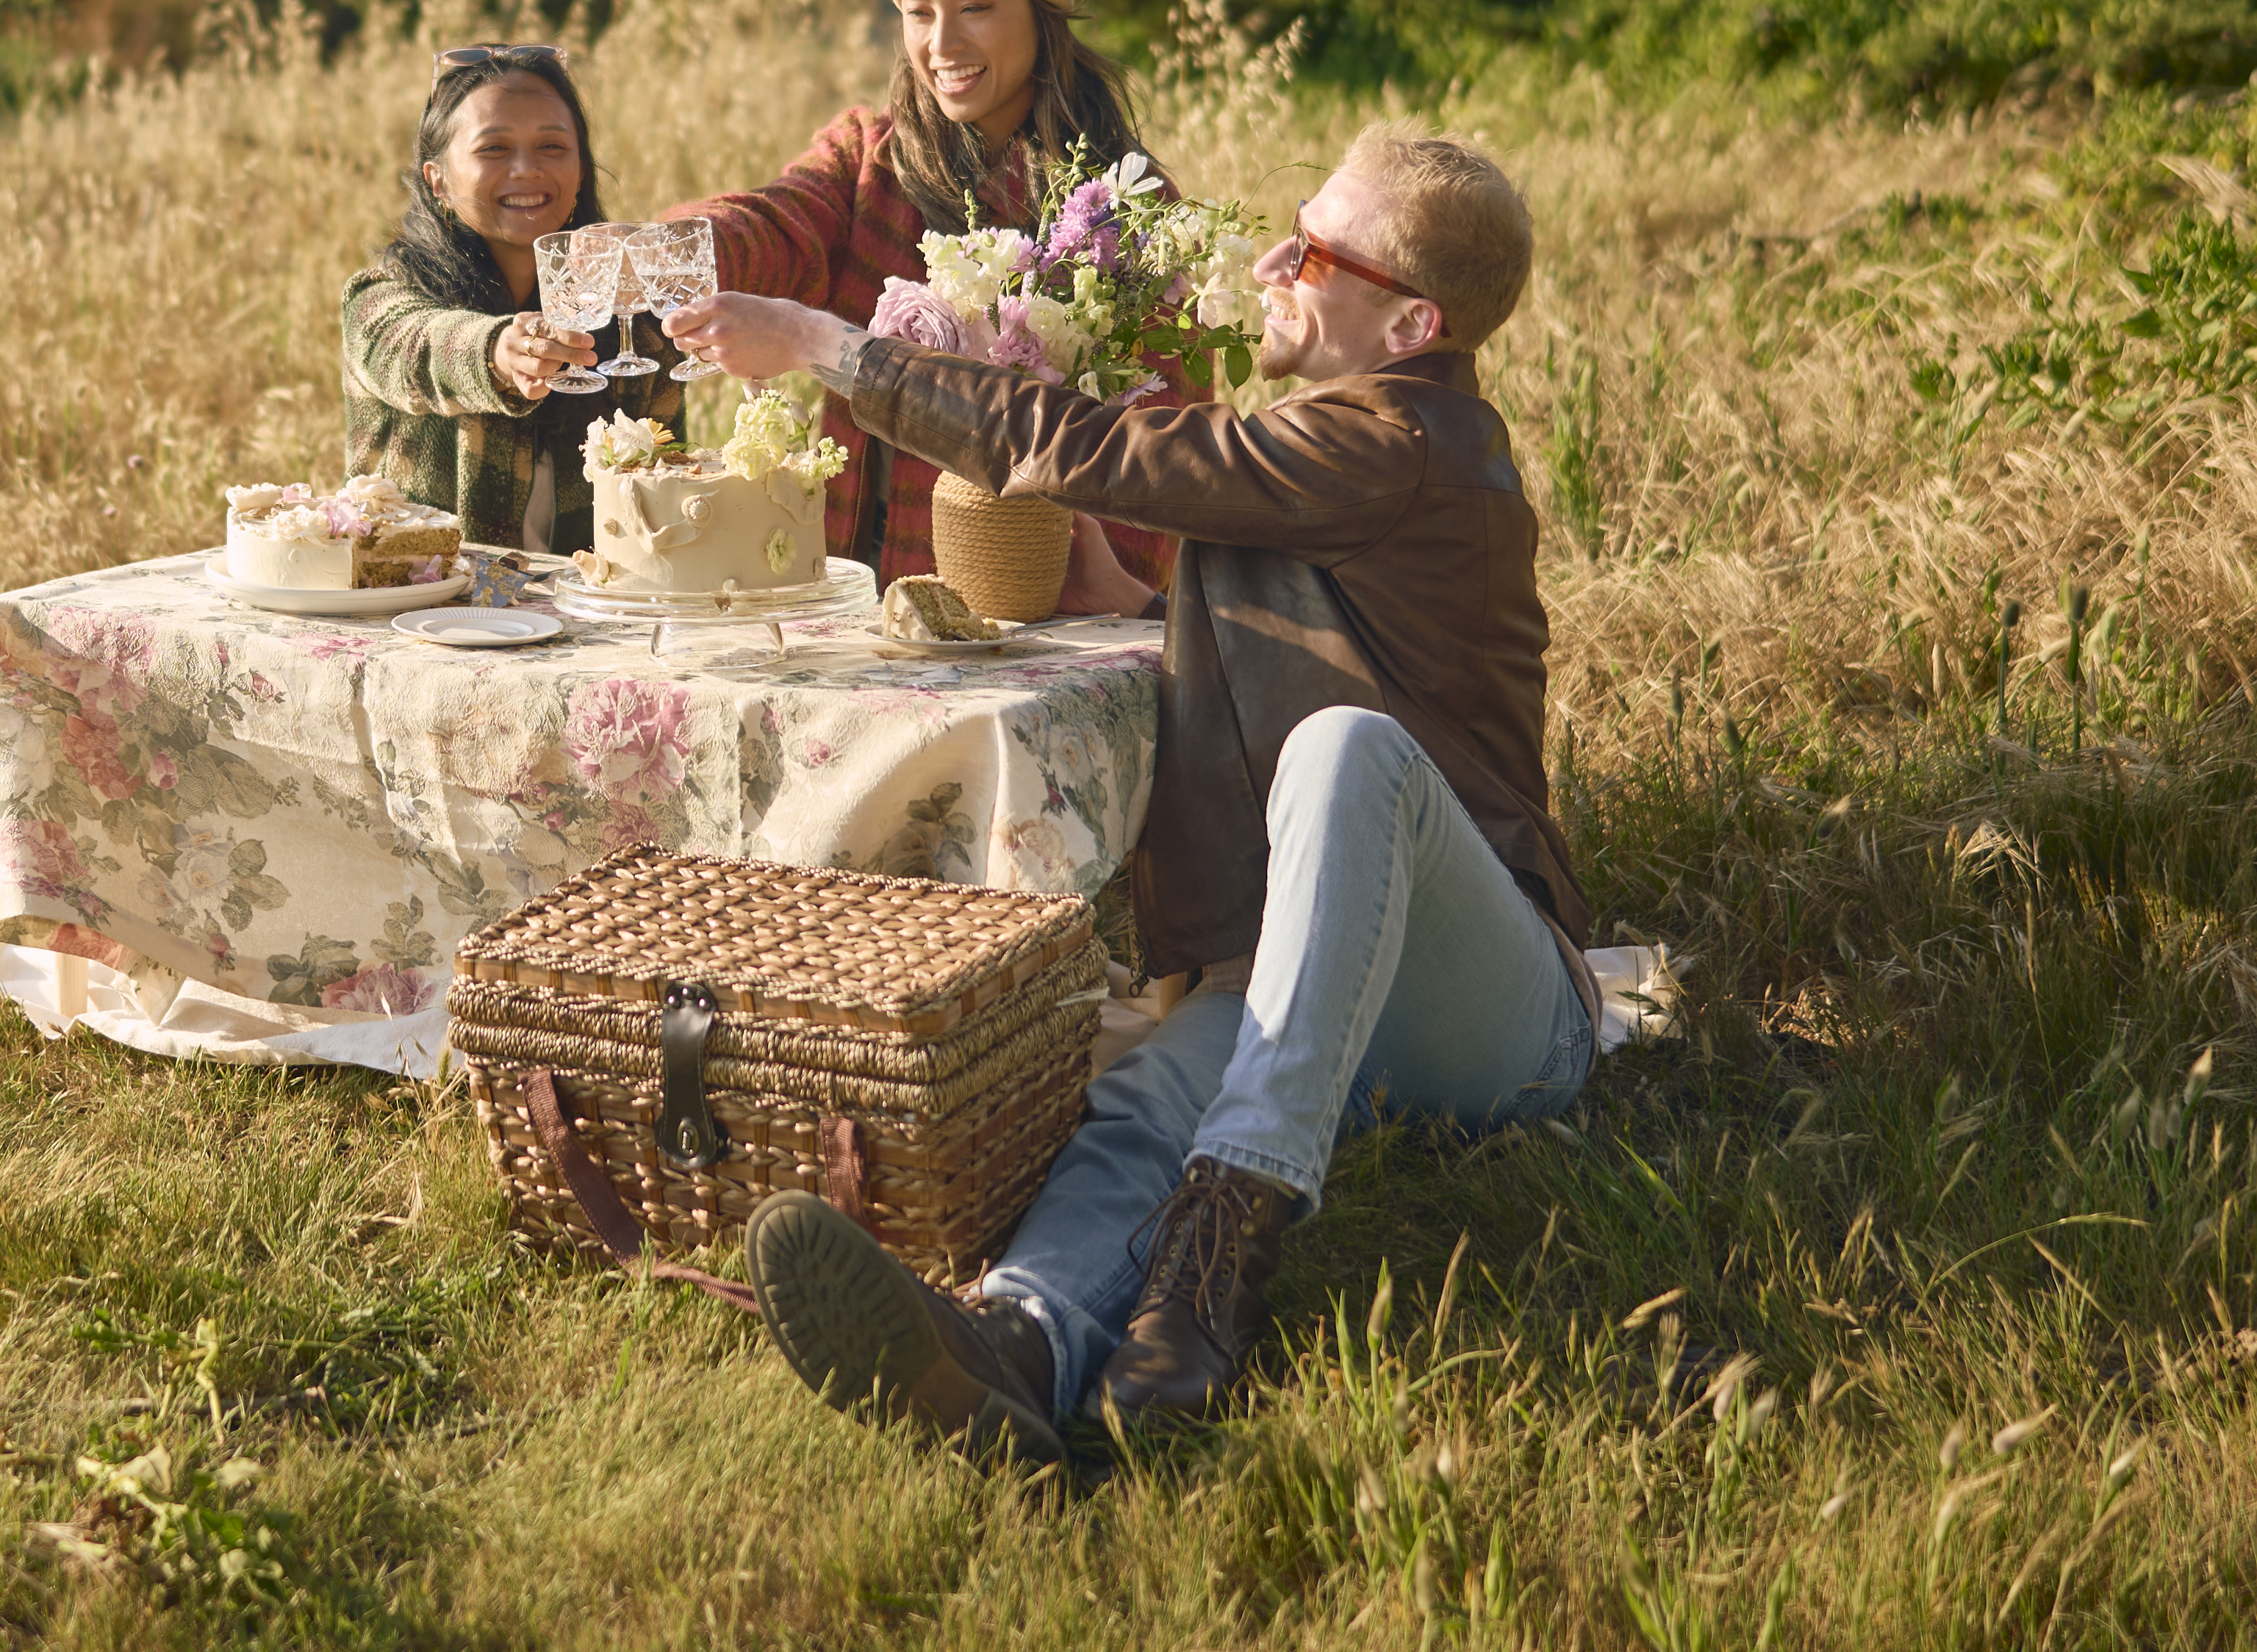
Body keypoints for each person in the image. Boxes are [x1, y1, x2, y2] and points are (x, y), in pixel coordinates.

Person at [673, 124, 1596, 1461]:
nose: (1277, 258)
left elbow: (1098, 446)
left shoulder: (1407, 437)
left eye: (1319, 251)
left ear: (1410, 322)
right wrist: (1158, 601)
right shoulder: (1359, 442)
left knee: (1350, 755)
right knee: (1144, 1103)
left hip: (1500, 1017)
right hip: (1324, 987)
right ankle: (1015, 1347)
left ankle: (1217, 1271)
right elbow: (1338, 619)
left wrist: (826, 346)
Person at [665, 0, 1160, 610]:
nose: (942, 44)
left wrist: (1110, 597)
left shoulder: (1123, 207)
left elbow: (1155, 454)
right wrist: (669, 249)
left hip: (1038, 605)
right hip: (867, 600)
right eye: (918, 12)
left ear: (1042, 13)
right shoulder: (870, 158)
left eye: (976, 7)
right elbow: (777, 219)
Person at [340, 43, 681, 553]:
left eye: (552, 148)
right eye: (494, 149)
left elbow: (667, 492)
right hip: (426, 611)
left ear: (582, 170)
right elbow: (418, 349)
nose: (526, 170)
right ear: (438, 182)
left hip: (592, 617)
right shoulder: (380, 297)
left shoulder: (633, 321)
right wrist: (499, 352)